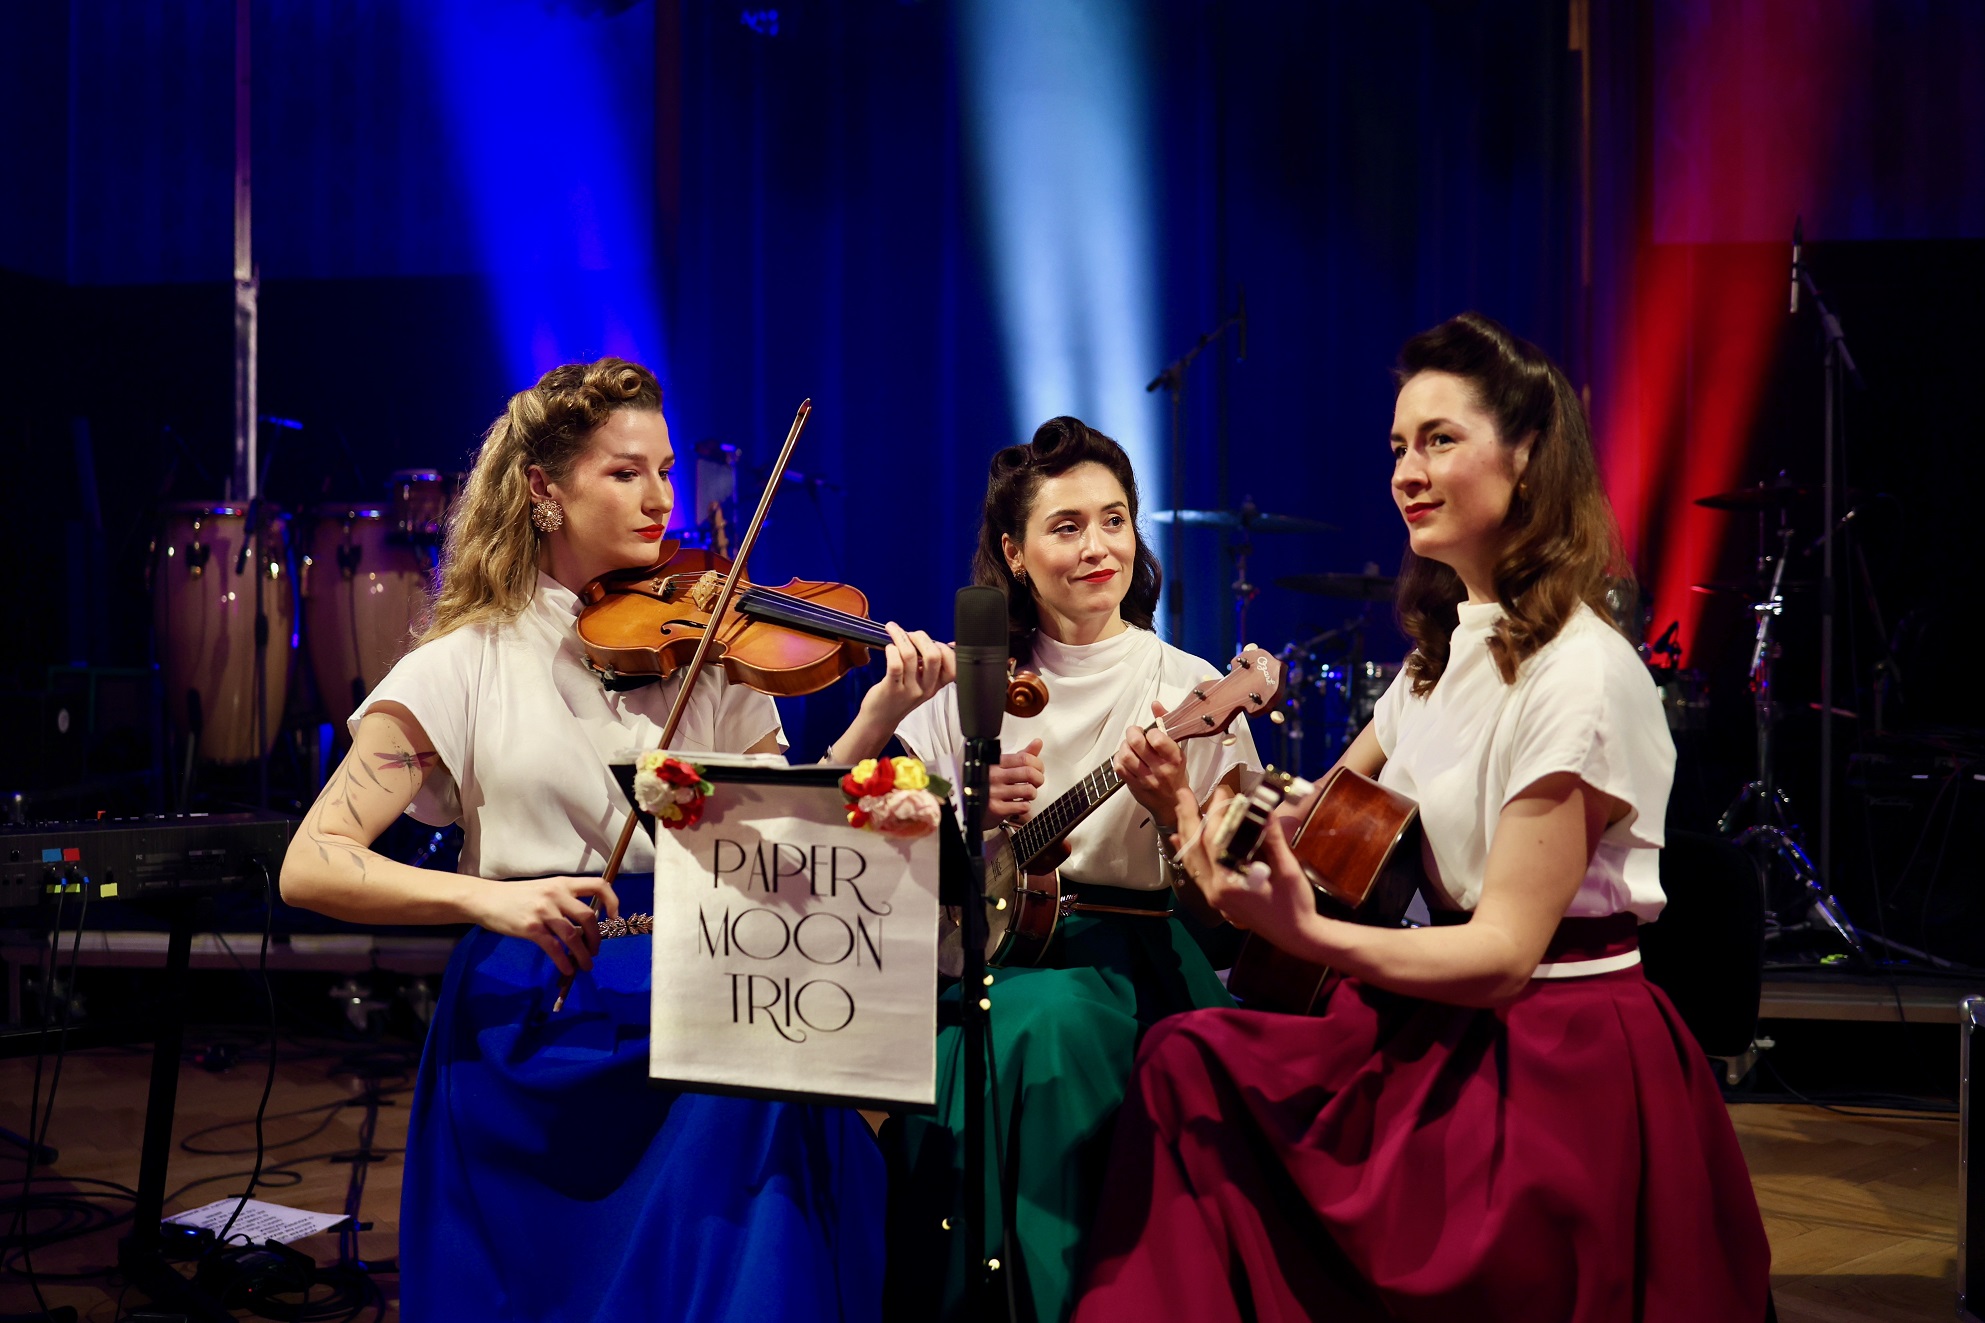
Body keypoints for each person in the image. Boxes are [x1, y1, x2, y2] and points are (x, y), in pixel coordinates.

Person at [1072, 314, 1773, 1322]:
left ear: (1525, 455)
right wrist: (1185, 807)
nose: (1406, 470)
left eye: (1439, 439)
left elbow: (1500, 956)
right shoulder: (1437, 656)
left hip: (1547, 1060)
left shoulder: (1579, 673)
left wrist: (1308, 934)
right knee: (1185, 1062)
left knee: (1205, 1082)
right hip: (1434, 1024)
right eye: (1398, 446)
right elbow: (1314, 812)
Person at [279, 358, 952, 1323]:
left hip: (708, 978)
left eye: (666, 471)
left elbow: (777, 837)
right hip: (540, 1001)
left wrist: (878, 716)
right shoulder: (459, 666)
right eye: (625, 472)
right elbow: (312, 862)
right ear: (544, 489)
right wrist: (490, 899)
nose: (660, 498)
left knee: (771, 1110)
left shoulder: (712, 644)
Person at [832, 417, 1261, 1323]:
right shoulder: (964, 687)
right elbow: (865, 871)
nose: (1098, 547)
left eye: (1114, 520)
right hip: (973, 958)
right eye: (1066, 527)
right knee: (936, 1043)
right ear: (1013, 553)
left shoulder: (1188, 685)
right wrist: (960, 820)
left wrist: (1172, 810)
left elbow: (1229, 911)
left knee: (1044, 1024)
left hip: (1131, 958)